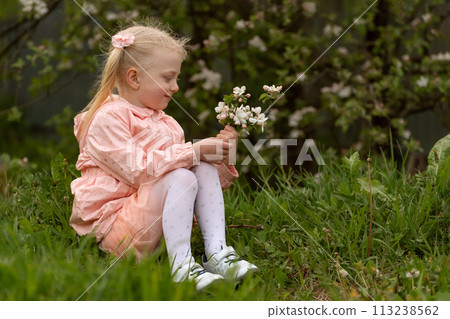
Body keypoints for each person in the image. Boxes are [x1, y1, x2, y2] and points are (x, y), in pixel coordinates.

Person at [69, 21, 257, 291]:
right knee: (183, 170)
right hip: (117, 228)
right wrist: (193, 151)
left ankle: (216, 253)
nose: (176, 86)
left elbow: (196, 185)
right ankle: (182, 267)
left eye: (176, 78)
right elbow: (138, 171)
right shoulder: (107, 118)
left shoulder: (167, 124)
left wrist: (221, 155)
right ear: (134, 78)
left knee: (198, 167)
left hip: (157, 224)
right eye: (169, 78)